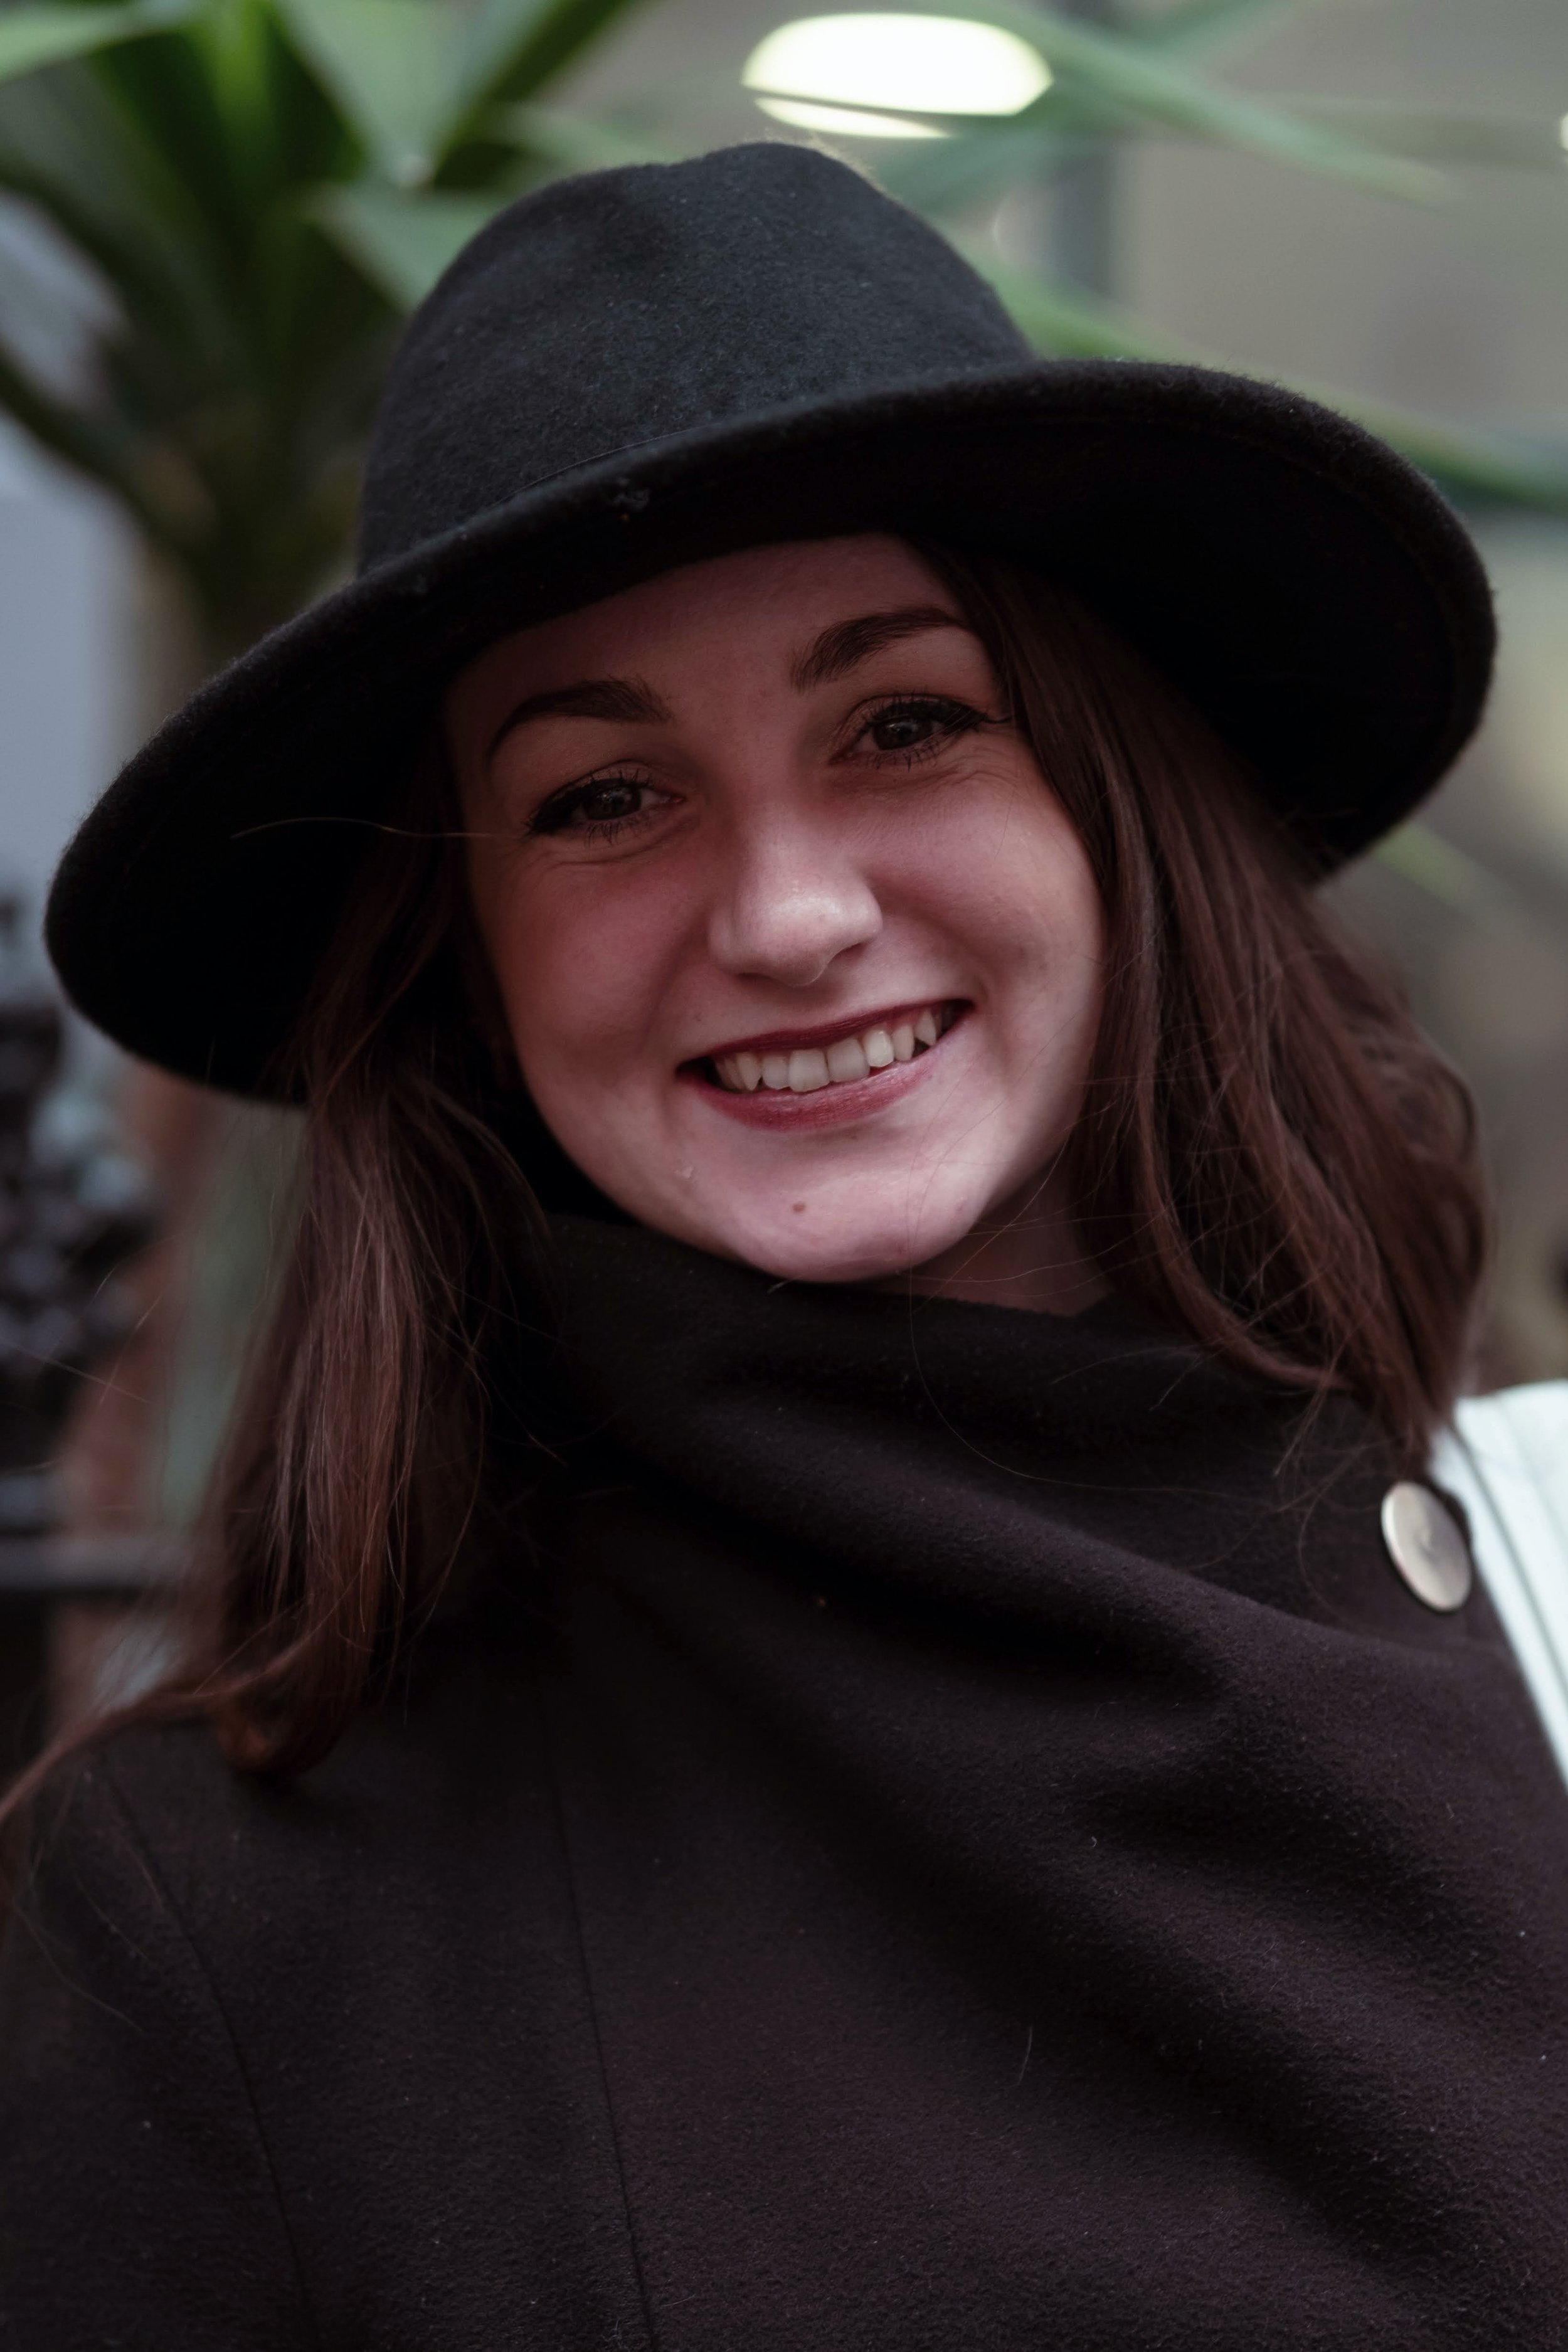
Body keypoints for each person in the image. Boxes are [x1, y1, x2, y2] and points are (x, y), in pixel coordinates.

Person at [2, 141, 1566, 2351]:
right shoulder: (224, 1917)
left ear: (1112, 821)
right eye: (601, 799)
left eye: (906, 723)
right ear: (467, 955)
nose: (787, 914)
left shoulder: (1541, 1617)